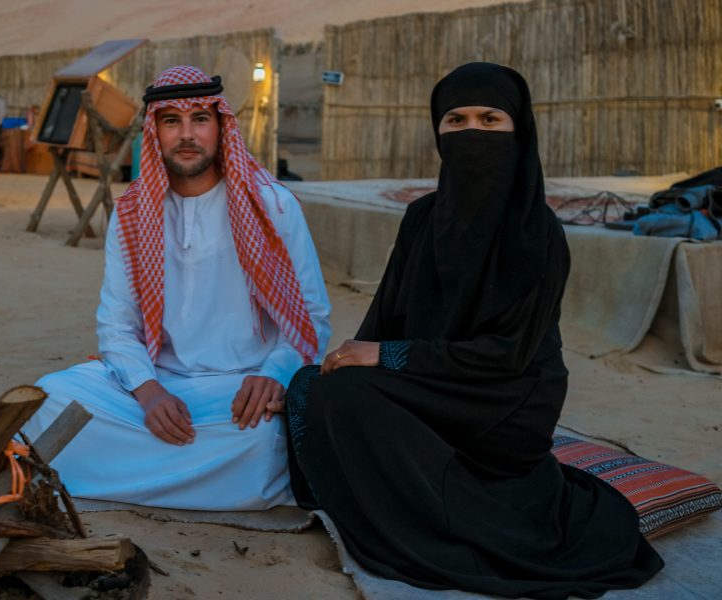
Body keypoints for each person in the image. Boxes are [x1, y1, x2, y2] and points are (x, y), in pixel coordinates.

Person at [281, 62, 663, 599]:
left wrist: (387, 358)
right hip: (429, 381)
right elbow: (386, 317)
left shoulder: (538, 235)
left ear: (518, 131)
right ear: (438, 132)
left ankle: (441, 515)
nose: (472, 134)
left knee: (353, 392)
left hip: (503, 399)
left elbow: (506, 356)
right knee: (317, 388)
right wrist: (355, 356)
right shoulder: (422, 218)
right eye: (455, 120)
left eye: (490, 119)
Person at [23, 66, 330, 510]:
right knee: (50, 398)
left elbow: (311, 318)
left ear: (221, 126)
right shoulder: (132, 213)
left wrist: (274, 375)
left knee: (264, 439)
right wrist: (148, 392)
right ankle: (193, 481)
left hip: (240, 391)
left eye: (200, 119)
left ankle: (113, 473)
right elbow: (116, 324)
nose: (187, 134)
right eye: (172, 121)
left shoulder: (272, 205)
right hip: (157, 383)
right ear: (155, 132)